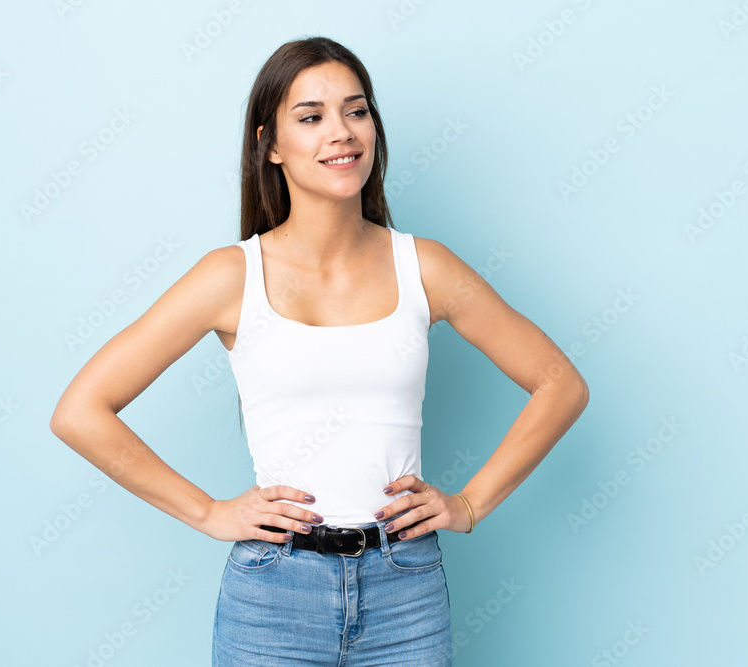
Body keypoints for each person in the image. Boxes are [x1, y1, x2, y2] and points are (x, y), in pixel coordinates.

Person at [50, 36, 589, 666]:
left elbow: (560, 382)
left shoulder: (427, 267)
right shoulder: (230, 277)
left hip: (406, 591)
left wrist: (469, 504)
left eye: (356, 111)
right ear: (270, 145)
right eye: (312, 117)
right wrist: (207, 512)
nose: (342, 131)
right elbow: (80, 411)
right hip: (272, 597)